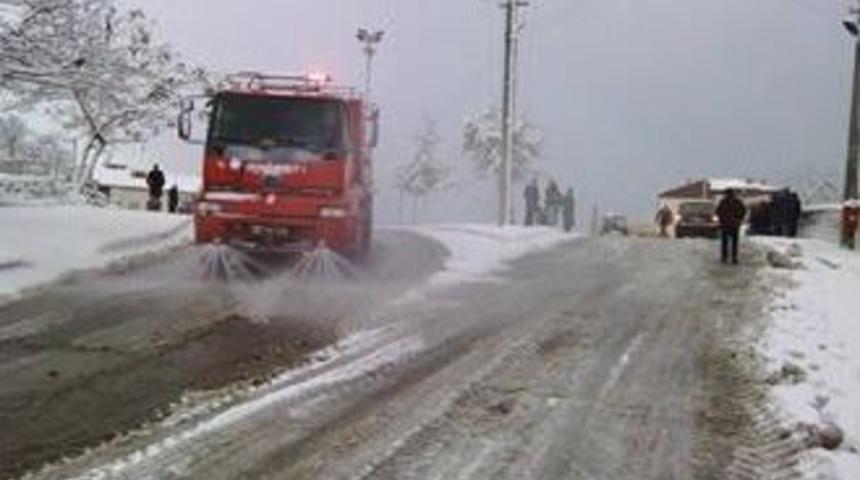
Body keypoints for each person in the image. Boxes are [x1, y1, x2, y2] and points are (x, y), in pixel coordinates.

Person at [715, 189, 748, 265]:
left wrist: (738, 219)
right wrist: (722, 219)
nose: (728, 196)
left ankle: (732, 258)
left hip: (733, 224)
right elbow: (718, 212)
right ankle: (726, 257)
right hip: (727, 224)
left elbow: (743, 211)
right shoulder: (724, 202)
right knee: (727, 242)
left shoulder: (736, 202)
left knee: (732, 242)